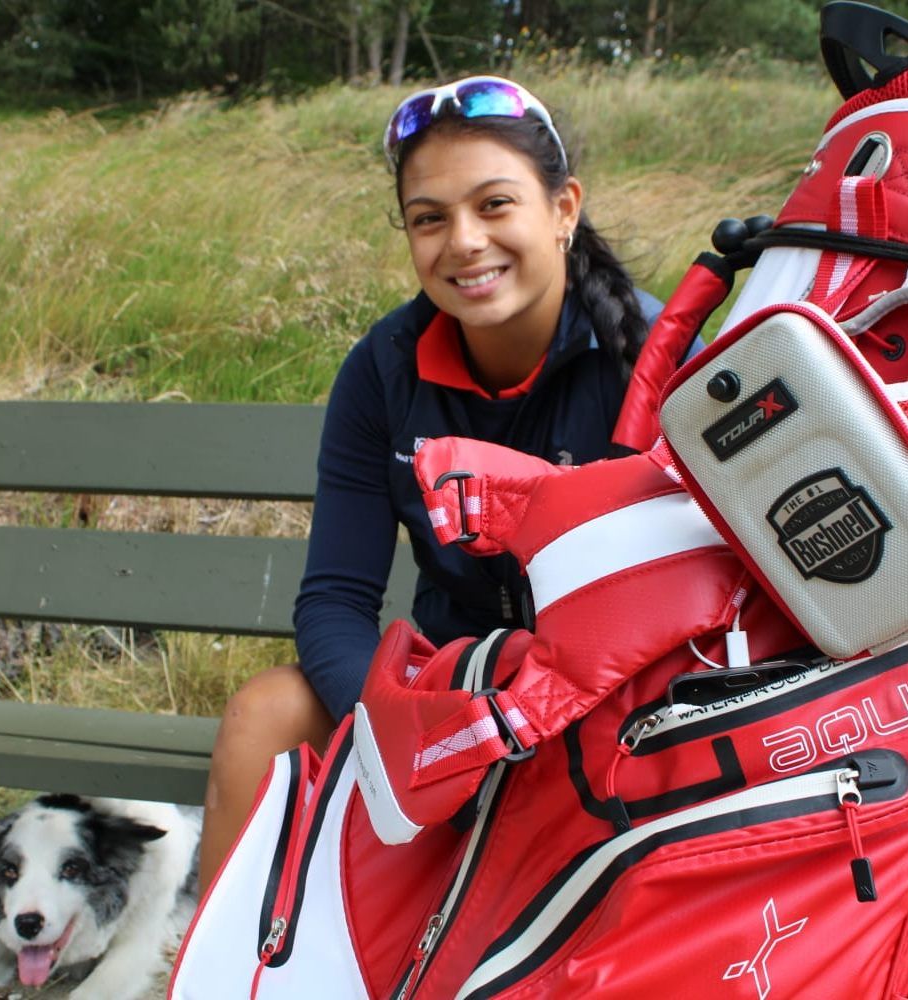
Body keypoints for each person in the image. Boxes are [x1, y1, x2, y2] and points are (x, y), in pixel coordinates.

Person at [198, 75, 664, 890]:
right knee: (262, 712)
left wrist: (533, 727)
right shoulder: (382, 371)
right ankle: (230, 970)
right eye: (429, 219)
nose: (463, 242)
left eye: (494, 205)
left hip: (615, 705)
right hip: (448, 693)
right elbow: (335, 600)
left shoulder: (657, 356)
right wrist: (402, 733)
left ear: (563, 209)